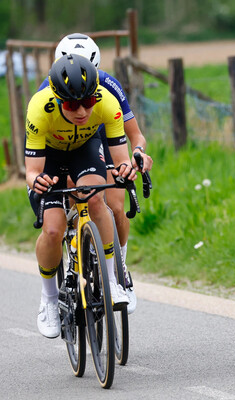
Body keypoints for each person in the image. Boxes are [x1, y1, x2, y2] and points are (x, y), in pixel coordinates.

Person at [38, 33, 153, 314]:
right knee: (70, 193)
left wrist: (138, 154)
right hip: (63, 144)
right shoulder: (47, 91)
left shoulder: (109, 86)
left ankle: (119, 269)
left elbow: (135, 135)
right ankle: (71, 245)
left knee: (114, 205)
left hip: (103, 140)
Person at [26, 54, 137, 338]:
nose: (82, 111)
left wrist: (128, 169)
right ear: (58, 99)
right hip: (48, 158)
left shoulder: (106, 102)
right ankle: (49, 299)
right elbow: (32, 170)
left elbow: (121, 158)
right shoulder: (40, 108)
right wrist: (38, 181)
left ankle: (111, 281)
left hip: (84, 149)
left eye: (87, 102)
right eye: (72, 105)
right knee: (52, 229)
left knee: (97, 198)